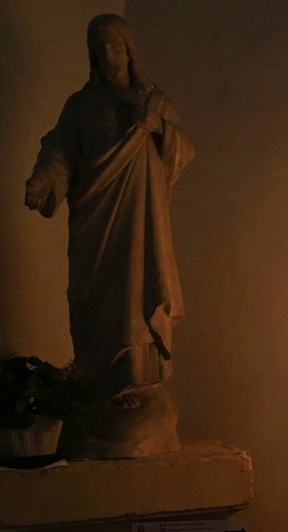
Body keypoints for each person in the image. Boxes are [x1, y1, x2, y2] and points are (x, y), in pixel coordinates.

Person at [24, 14, 195, 457]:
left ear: (129, 50)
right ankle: (97, 390)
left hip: (139, 221)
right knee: (92, 297)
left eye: (114, 47)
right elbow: (59, 148)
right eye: (98, 49)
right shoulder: (80, 106)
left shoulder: (152, 103)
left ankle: (137, 386)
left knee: (135, 290)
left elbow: (184, 149)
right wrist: (45, 181)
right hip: (93, 221)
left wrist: (159, 131)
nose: (107, 56)